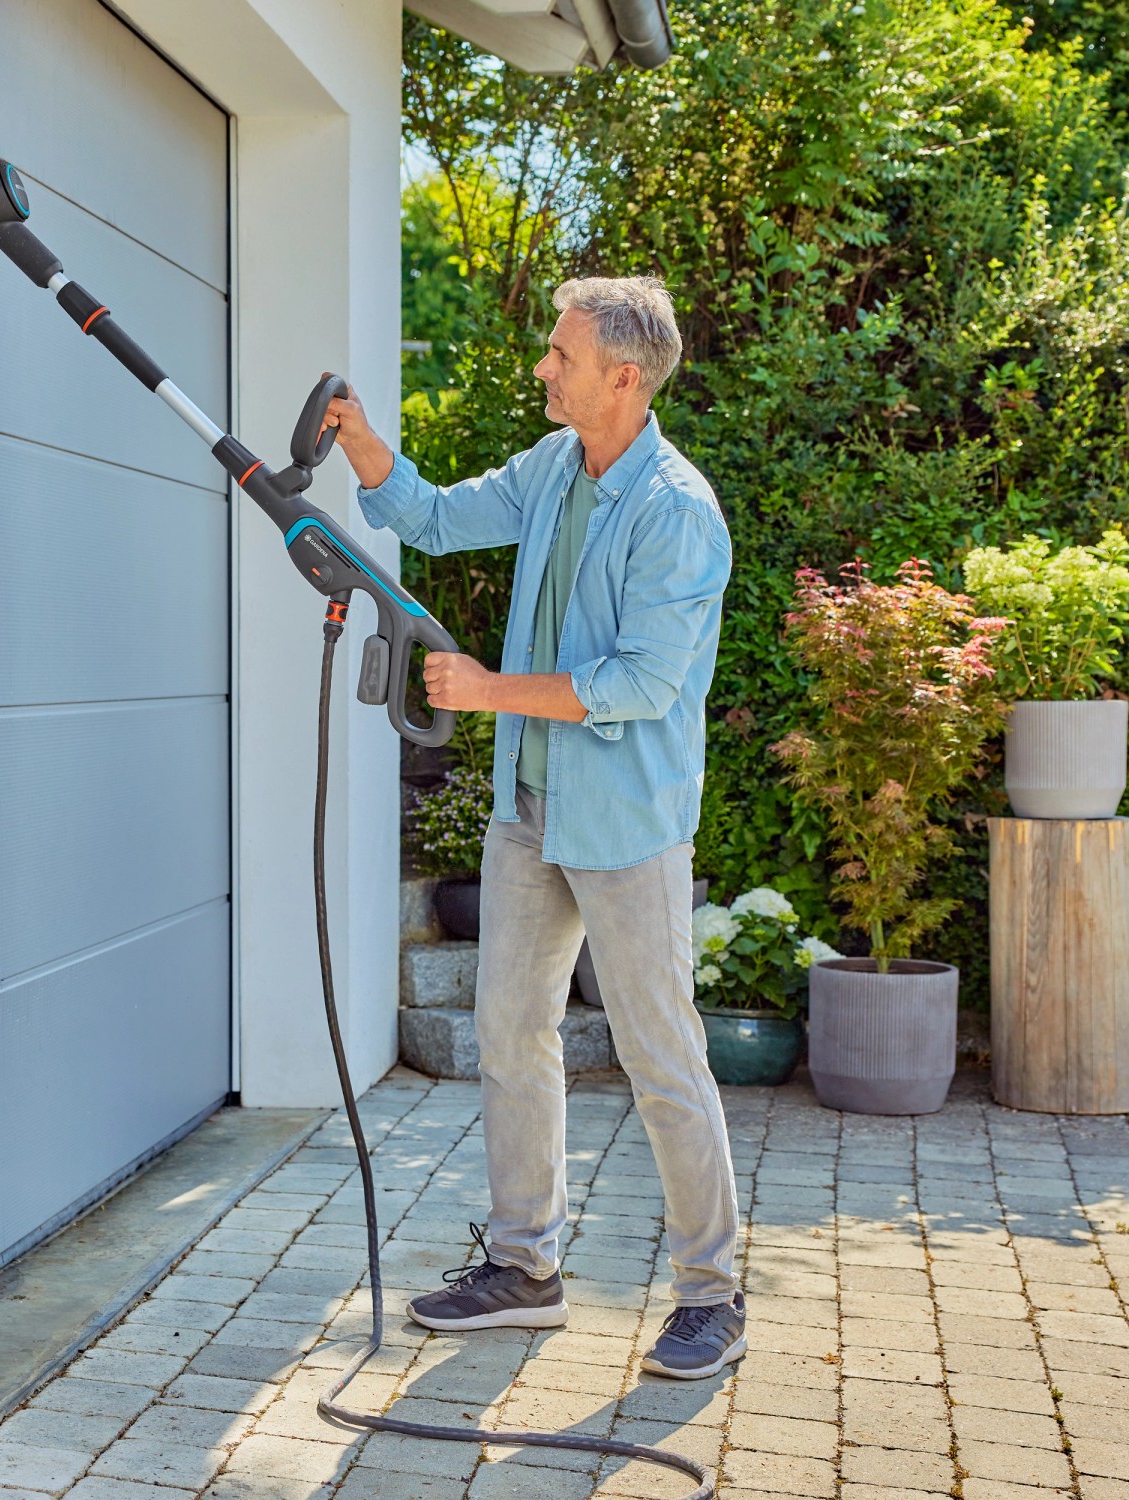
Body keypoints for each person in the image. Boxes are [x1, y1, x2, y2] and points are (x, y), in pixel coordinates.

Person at [322, 276, 745, 1380]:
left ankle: (714, 1293)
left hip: (629, 826)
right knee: (512, 1037)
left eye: (561, 356)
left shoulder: (677, 510)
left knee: (661, 1059)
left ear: (624, 375)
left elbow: (642, 684)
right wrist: (367, 448)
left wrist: (489, 690)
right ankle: (525, 1270)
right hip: (528, 812)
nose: (543, 370)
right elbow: (439, 515)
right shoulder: (556, 467)